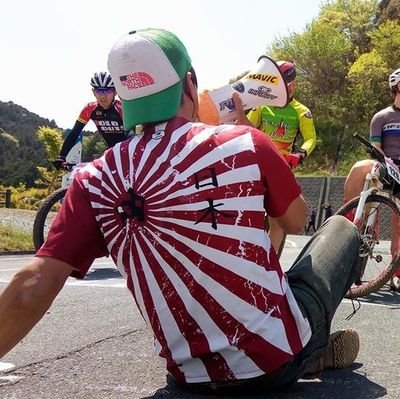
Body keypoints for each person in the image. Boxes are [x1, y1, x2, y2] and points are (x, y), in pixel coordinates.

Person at [0, 28, 360, 395]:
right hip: (275, 365)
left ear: (123, 97)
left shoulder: (93, 179)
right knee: (340, 230)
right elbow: (296, 220)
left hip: (191, 379)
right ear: (190, 84)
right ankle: (309, 348)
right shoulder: (244, 143)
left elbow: (33, 286)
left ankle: (306, 350)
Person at [245, 61, 317, 256]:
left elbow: (311, 138)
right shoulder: (261, 106)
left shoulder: (302, 111)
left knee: (276, 221)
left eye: (282, 83)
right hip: (256, 167)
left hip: (282, 169)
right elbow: (245, 129)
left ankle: (270, 264)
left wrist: (300, 154)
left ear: (293, 85)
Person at [343, 68, 400, 291]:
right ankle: (350, 223)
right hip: (387, 165)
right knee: (360, 168)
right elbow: (375, 148)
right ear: (396, 86)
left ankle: (397, 273)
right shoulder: (382, 117)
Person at [53, 71, 129, 169]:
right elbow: (75, 133)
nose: (103, 96)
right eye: (99, 91)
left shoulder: (122, 108)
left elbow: (137, 133)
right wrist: (62, 156)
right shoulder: (89, 109)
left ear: (115, 92)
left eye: (107, 91)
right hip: (111, 152)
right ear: (93, 92)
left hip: (130, 151)